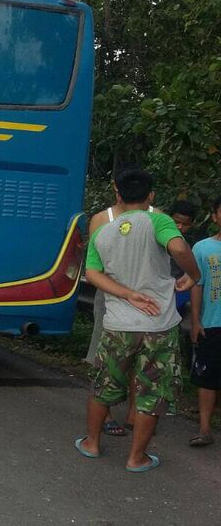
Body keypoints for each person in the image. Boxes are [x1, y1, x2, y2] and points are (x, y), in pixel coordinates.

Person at [77, 168, 200, 472]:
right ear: (151, 196)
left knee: (104, 384)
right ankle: (136, 458)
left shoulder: (102, 229)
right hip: (157, 325)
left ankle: (92, 442)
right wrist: (193, 275)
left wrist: (127, 293)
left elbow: (92, 274)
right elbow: (180, 247)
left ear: (117, 194)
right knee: (151, 392)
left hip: (118, 323)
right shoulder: (158, 220)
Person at [84, 163, 157, 435]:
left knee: (142, 360)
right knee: (106, 358)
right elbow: (96, 265)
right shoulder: (102, 220)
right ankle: (105, 415)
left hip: (147, 300)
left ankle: (134, 413)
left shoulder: (157, 218)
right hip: (111, 299)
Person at [188, 196, 221, 447]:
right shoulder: (201, 248)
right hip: (211, 324)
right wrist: (196, 321)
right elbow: (196, 286)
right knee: (207, 378)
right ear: (215, 216)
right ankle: (204, 429)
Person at [169, 200, 203, 315]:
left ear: (192, 224)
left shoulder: (194, 245)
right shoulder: (155, 239)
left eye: (185, 224)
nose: (180, 227)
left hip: (182, 291)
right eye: (176, 222)